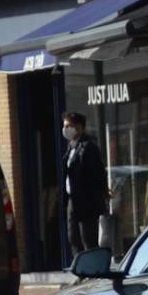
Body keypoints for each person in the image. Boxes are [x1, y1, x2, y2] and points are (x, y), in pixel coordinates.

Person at [59, 112, 108, 265]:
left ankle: (95, 271)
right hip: (72, 199)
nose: (65, 129)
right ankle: (82, 271)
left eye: (68, 126)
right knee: (73, 237)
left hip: (86, 200)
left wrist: (104, 190)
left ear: (79, 127)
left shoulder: (88, 146)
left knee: (88, 239)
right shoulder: (71, 147)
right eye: (64, 126)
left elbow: (98, 171)